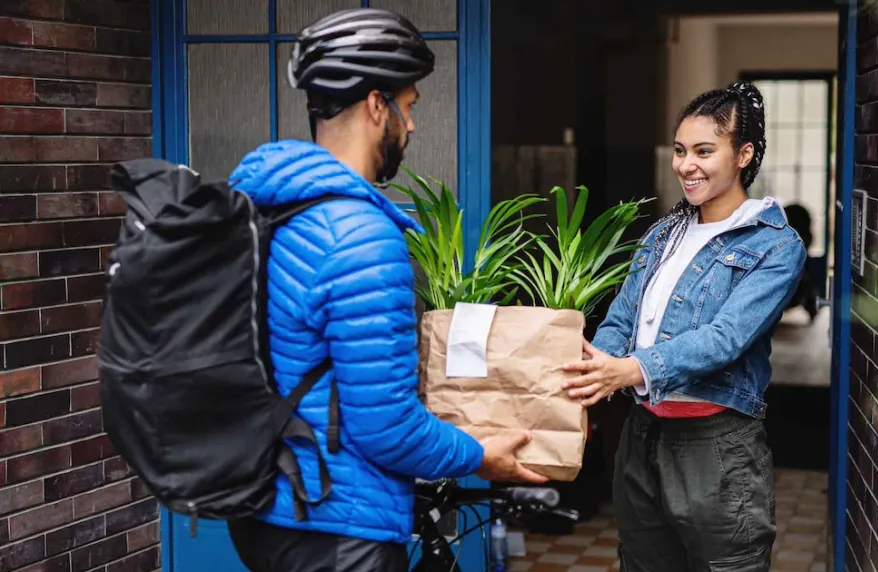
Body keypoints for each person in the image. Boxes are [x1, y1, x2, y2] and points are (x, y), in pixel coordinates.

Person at [223, 8, 546, 572]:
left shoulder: (267, 205)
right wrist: (477, 454)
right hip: (337, 523)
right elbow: (385, 426)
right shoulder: (360, 236)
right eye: (410, 105)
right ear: (378, 105)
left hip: (264, 506)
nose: (412, 125)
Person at [561, 82, 806, 572]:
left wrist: (629, 370)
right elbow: (621, 318)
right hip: (643, 436)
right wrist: (591, 376)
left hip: (716, 449)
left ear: (744, 154)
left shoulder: (776, 247)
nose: (685, 165)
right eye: (679, 151)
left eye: (703, 151)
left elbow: (726, 338)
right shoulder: (662, 234)